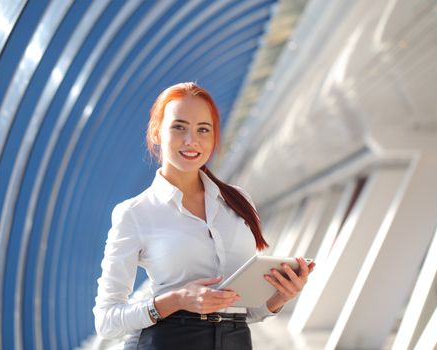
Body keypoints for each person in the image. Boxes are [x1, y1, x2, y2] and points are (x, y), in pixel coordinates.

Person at [93, 82, 315, 349]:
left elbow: (245, 311)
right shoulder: (135, 213)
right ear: (156, 133)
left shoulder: (238, 201)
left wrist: (279, 297)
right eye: (179, 127)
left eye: (203, 130)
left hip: (236, 341)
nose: (192, 140)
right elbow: (106, 320)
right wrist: (177, 300)